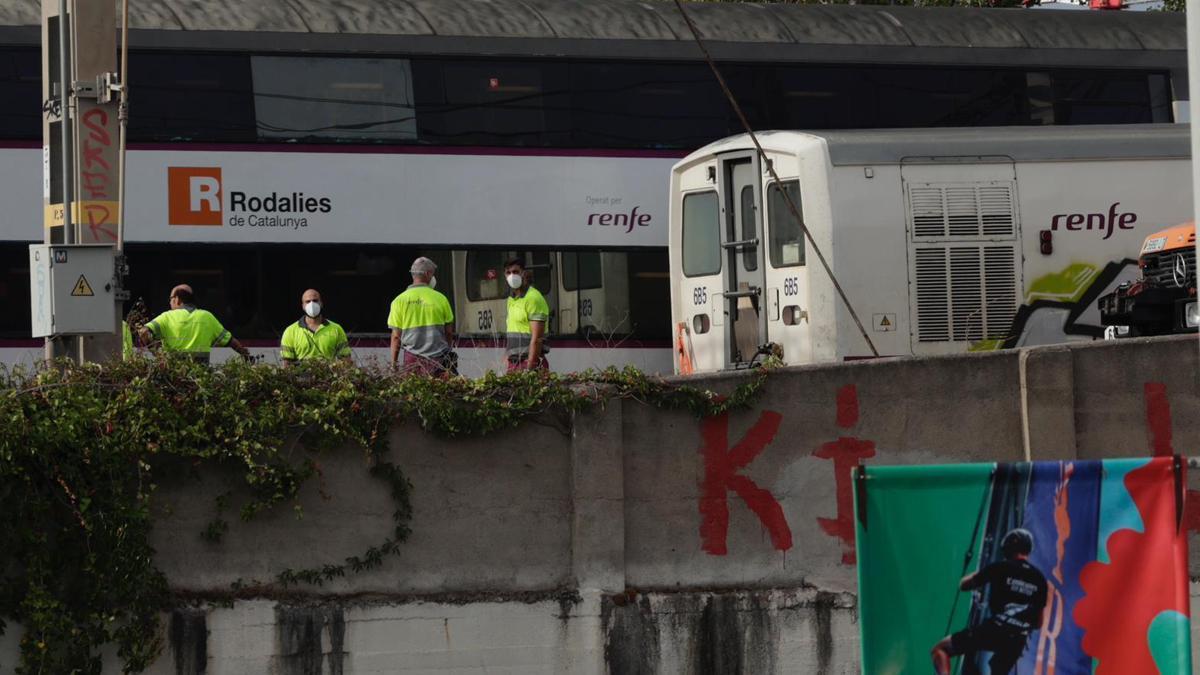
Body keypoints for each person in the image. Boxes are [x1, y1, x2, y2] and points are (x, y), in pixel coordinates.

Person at [931, 528, 1049, 675]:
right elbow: (1038, 624)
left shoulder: (1000, 567)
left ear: (1009, 547)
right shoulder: (1040, 580)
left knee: (940, 649)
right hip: (1017, 641)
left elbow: (964, 585)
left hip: (994, 629)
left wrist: (983, 573)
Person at [138, 284, 251, 362]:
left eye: (170, 299)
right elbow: (230, 341)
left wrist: (158, 355)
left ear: (177, 299)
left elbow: (143, 332)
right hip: (201, 380)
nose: (170, 302)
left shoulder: (167, 317)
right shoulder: (207, 317)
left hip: (173, 379)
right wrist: (245, 355)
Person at [388, 257, 454, 375]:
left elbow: (396, 337)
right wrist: (448, 354)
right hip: (438, 360)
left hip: (412, 361)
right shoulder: (441, 299)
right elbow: (448, 332)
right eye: (433, 274)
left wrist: (394, 364)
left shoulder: (398, 301)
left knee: (413, 392)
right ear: (428, 274)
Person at [279, 289, 351, 365]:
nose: (312, 304)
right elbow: (287, 364)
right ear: (303, 306)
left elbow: (346, 361)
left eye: (315, 300)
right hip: (300, 376)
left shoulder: (336, 329)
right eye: (308, 301)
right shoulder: (290, 331)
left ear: (321, 303)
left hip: (328, 376)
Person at [503, 257, 550, 372]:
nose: (512, 276)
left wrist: (530, 368)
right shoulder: (511, 300)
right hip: (513, 363)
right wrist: (506, 358)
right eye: (508, 273)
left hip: (529, 363)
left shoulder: (533, 298)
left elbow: (537, 338)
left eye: (515, 272)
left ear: (523, 273)